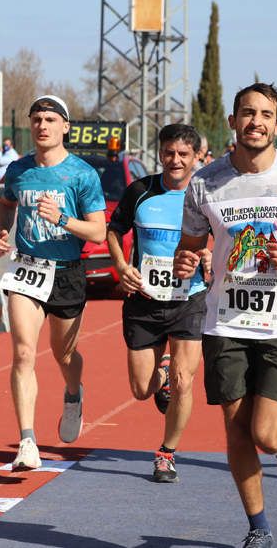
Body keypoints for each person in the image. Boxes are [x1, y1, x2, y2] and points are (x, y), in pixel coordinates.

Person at [174, 83, 277, 548]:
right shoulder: (205, 182)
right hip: (224, 324)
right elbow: (188, 248)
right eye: (248, 113)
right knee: (236, 432)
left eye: (266, 114)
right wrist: (186, 261)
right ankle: (259, 528)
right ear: (232, 121)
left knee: (264, 433)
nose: (256, 121)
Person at [0, 95, 106, 470]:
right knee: (24, 351)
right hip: (26, 269)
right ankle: (27, 441)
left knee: (64, 353)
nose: (42, 125)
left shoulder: (82, 174)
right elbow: (6, 203)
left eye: (51, 119)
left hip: (67, 271)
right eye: (37, 118)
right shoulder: (18, 170)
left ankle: (74, 394)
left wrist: (62, 220)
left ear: (65, 127)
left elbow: (99, 232)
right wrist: (3, 233)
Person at [107, 124, 209, 483]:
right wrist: (121, 267)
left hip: (189, 298)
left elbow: (224, 240)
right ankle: (160, 372)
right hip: (144, 301)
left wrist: (209, 258)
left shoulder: (206, 195)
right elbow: (113, 230)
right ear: (160, 153)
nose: (175, 160)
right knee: (141, 390)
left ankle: (167, 453)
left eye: (183, 154)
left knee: (185, 382)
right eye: (169, 153)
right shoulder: (140, 190)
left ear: (197, 156)